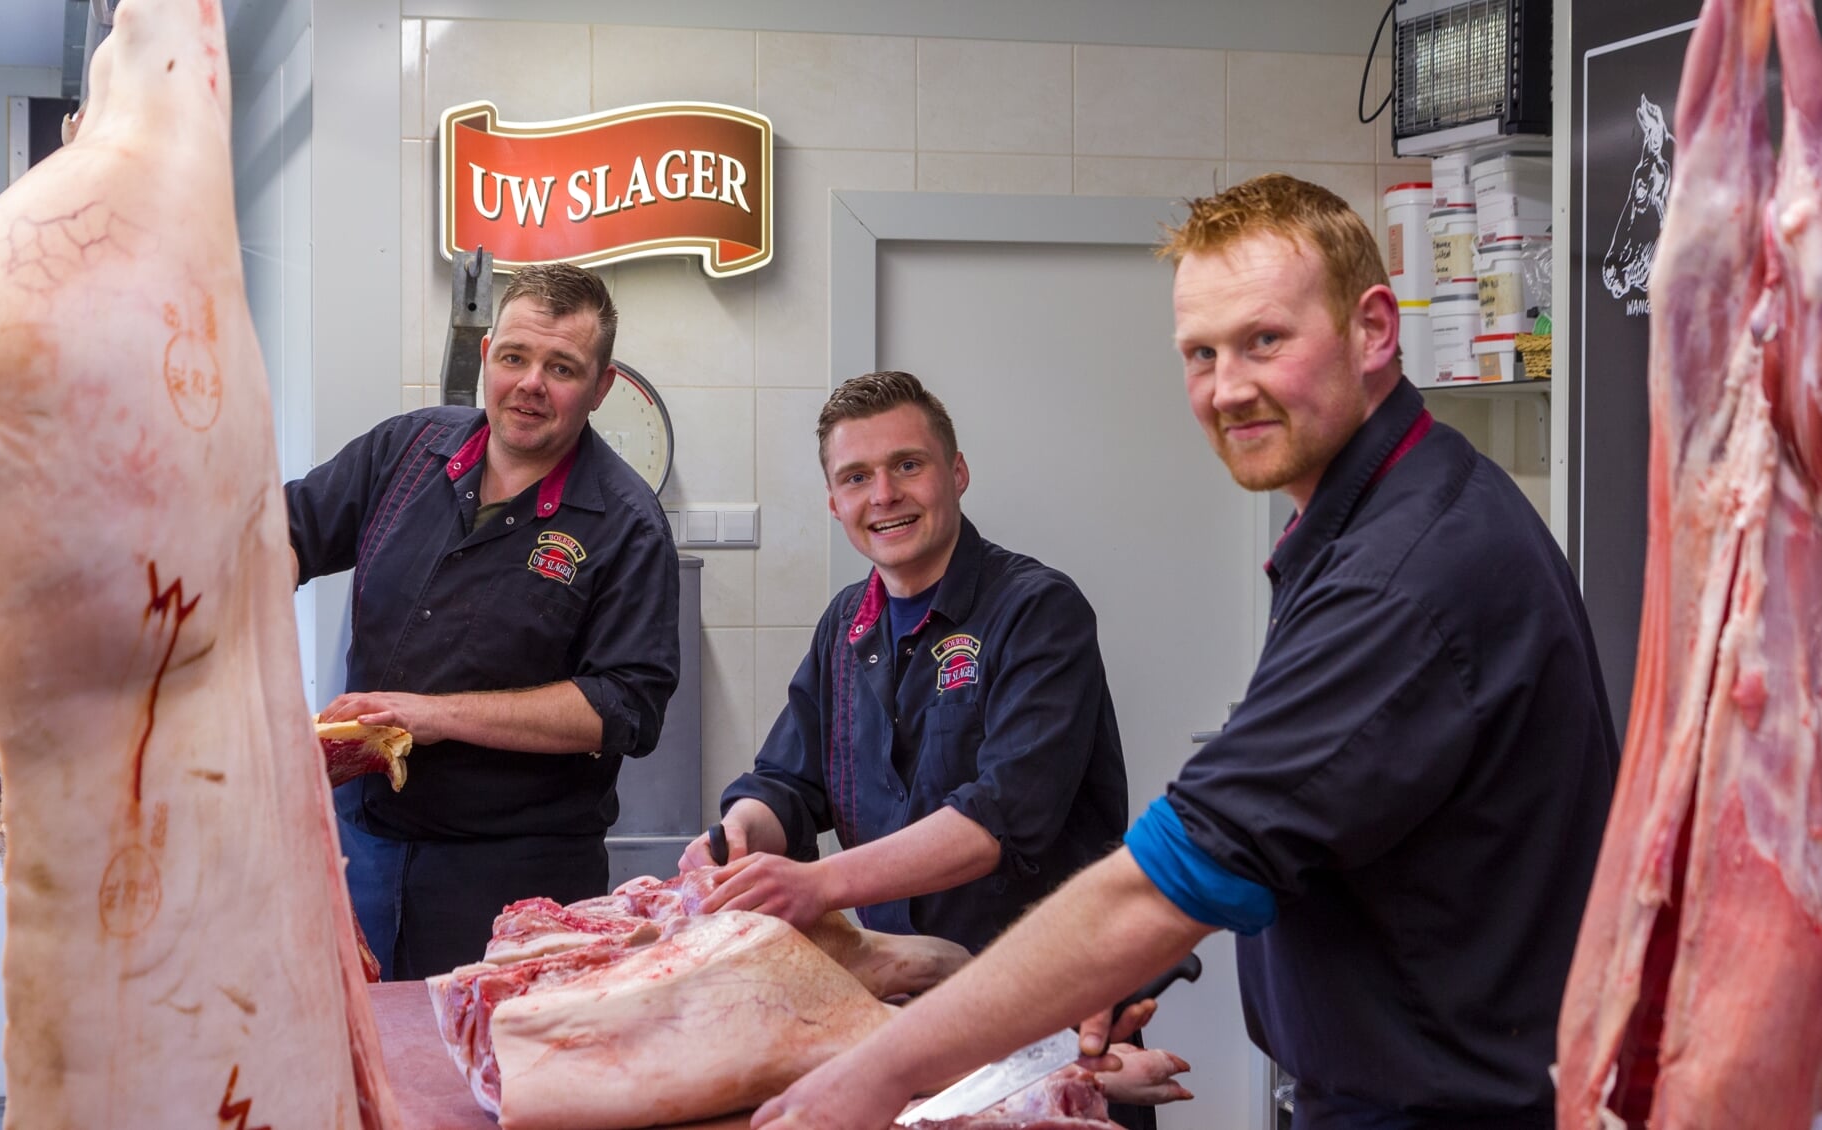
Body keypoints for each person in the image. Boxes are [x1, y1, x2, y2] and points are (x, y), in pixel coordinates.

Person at [751, 175, 1619, 1130]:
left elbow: (1187, 856)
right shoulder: (1383, 518)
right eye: (1199, 353)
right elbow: (1294, 823)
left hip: (1449, 1104)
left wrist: (880, 1073)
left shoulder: (1399, 572)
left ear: (1373, 330)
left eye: (1264, 341)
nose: (1226, 388)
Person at [287, 261, 680, 980]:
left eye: (561, 367)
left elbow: (626, 705)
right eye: (514, 357)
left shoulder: (627, 525)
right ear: (485, 356)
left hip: (512, 884)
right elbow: (285, 534)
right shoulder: (405, 452)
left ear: (600, 388)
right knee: (365, 1073)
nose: (530, 383)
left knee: (493, 1083)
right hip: (364, 853)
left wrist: (431, 717)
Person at [678, 371, 1130, 957]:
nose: (884, 495)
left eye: (908, 465)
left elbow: (1002, 814)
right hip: (904, 984)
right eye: (857, 477)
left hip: (1047, 983)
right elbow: (789, 783)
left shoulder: (1038, 609)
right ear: (835, 503)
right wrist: (739, 830)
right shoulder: (845, 624)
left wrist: (817, 884)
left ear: (958, 473)